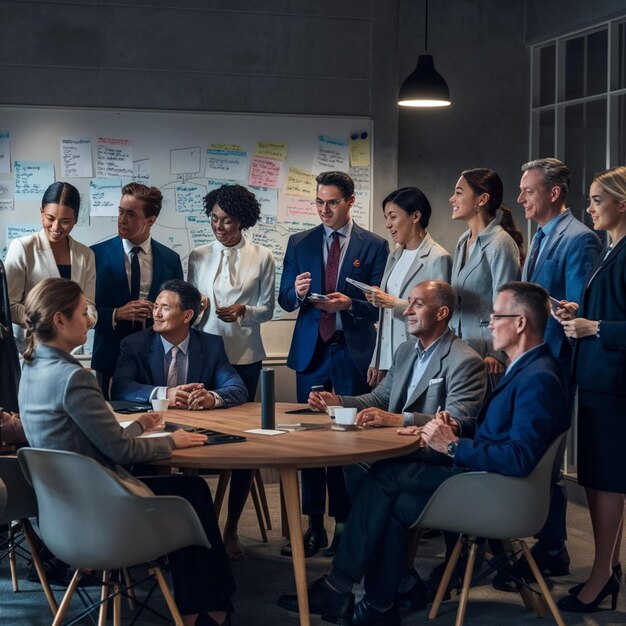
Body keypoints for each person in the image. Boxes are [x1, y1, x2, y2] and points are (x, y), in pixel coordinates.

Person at [278, 281, 570, 626]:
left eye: (495, 316)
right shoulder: (528, 368)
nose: (488, 323)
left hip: (500, 494)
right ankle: (380, 601)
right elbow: (498, 432)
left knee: (386, 479)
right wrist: (458, 429)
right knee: (388, 496)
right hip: (486, 478)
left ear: (519, 323)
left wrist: (452, 443)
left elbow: (520, 458)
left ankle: (347, 589)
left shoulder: (538, 377)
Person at [18, 278, 234, 626]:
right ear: (59, 320)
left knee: (185, 489)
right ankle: (203, 608)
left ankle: (210, 600)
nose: (90, 320)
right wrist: (170, 441)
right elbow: (119, 451)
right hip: (103, 514)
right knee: (192, 492)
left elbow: (91, 436)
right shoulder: (75, 377)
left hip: (62, 513)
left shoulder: (31, 366)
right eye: (83, 312)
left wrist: (139, 425)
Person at [278, 170, 388, 557]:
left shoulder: (373, 245)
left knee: (346, 443)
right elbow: (285, 300)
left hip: (351, 351)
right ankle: (312, 525)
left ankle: (345, 524)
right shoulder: (299, 242)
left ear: (350, 202)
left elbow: (378, 303)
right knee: (308, 442)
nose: (324, 209)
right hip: (312, 353)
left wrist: (349, 305)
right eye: (319, 202)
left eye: (332, 202)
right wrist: (297, 291)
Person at [309, 280, 485, 486]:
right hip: (395, 441)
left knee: (372, 465)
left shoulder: (466, 361)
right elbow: (380, 398)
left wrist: (396, 419)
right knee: (350, 456)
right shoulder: (405, 350)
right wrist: (337, 401)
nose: (406, 311)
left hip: (428, 450)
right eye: (408, 303)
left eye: (417, 305)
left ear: (441, 313)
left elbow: (455, 423)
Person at [517, 157, 602, 579]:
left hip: (555, 368)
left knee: (547, 463)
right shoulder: (539, 238)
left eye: (528, 191)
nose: (521, 198)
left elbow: (580, 311)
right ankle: (540, 542)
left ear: (553, 193)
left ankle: (553, 548)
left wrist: (557, 311)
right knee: (534, 456)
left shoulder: (580, 239)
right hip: (532, 364)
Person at [188, 183, 275, 560]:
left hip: (245, 356)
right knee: (193, 443)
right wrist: (201, 307)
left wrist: (245, 311)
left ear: (243, 221)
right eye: (214, 219)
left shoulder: (263, 256)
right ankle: (194, 528)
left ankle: (232, 529)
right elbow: (188, 310)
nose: (219, 227)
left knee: (243, 447)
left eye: (227, 221)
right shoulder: (197, 255)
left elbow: (269, 309)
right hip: (205, 354)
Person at [554, 166, 626, 614]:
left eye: (598, 199)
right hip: (599, 380)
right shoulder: (609, 248)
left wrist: (594, 325)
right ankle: (607, 569)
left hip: (616, 385)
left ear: (623, 202)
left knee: (608, 483)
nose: (590, 207)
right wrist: (581, 309)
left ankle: (601, 577)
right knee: (599, 481)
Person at [91, 182, 183, 398]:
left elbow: (178, 311)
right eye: (120, 212)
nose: (121, 219)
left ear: (150, 220)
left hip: (156, 356)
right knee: (111, 423)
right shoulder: (94, 255)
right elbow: (84, 310)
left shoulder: (171, 259)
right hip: (109, 357)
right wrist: (117, 313)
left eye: (131, 214)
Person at [111, 280, 247, 409]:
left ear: (187, 316)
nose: (156, 314)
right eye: (156, 307)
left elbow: (238, 388)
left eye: (165, 308)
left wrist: (211, 398)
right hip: (151, 423)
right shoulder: (134, 344)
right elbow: (121, 388)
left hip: (198, 424)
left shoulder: (211, 345)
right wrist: (164, 394)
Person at [364, 188, 452, 388]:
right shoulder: (394, 256)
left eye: (393, 217)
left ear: (415, 216)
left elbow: (439, 314)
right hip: (388, 360)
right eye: (386, 218)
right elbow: (384, 318)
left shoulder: (438, 257)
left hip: (418, 355)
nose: (388, 224)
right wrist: (377, 359)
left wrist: (393, 303)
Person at [5, 182, 96, 351]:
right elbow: (8, 305)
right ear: (41, 213)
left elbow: (89, 304)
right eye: (50, 218)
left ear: (76, 218)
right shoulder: (22, 247)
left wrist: (88, 318)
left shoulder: (85, 254)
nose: (56, 228)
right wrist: (47, 324)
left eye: (65, 221)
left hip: (71, 347)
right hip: (28, 347)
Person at [449, 168, 522, 377]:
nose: (452, 199)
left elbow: (507, 304)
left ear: (482, 199)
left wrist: (496, 353)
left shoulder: (501, 243)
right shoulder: (463, 240)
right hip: (460, 350)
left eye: (459, 192)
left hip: (488, 358)